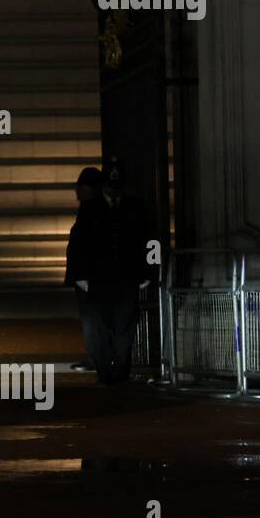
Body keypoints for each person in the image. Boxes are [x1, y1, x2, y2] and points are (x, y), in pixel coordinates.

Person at [67, 157, 151, 385]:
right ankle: (105, 373)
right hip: (100, 278)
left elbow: (149, 240)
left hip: (126, 278)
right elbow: (78, 243)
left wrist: (147, 273)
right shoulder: (90, 209)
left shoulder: (135, 207)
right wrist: (80, 275)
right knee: (102, 329)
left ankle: (120, 373)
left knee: (124, 329)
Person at [66, 166, 105, 372]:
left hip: (89, 275)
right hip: (91, 274)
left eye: (80, 187)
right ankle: (99, 356)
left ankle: (97, 357)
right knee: (94, 317)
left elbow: (83, 245)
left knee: (92, 317)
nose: (76, 191)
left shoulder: (91, 211)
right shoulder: (94, 209)